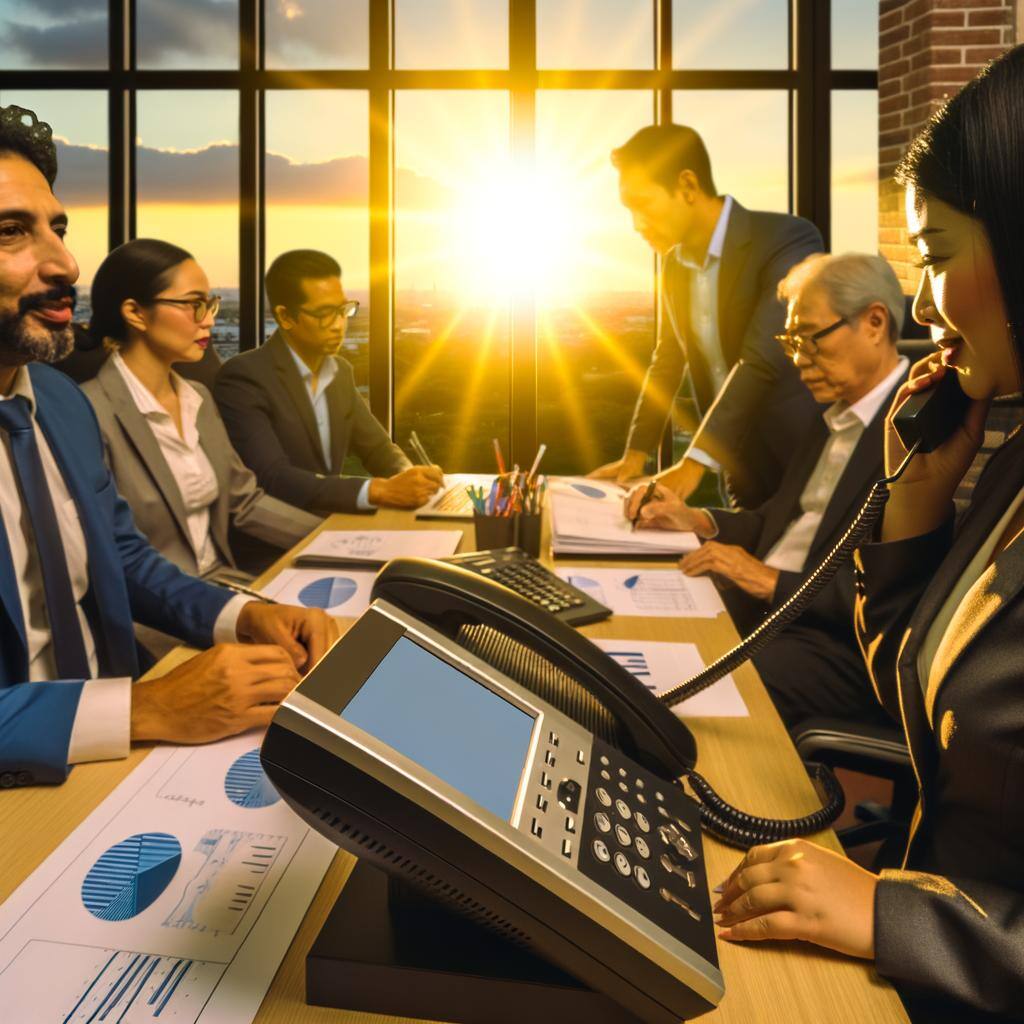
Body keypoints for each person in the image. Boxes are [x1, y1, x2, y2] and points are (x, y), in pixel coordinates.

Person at [710, 46, 1024, 1024]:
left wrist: (893, 913)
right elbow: (929, 701)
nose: (927, 308)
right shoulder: (1010, 460)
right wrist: (915, 510)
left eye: (935, 256)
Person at [0, 104, 338, 787]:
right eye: (12, 233)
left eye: (59, 229)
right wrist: (140, 706)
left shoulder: (58, 405)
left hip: (125, 765)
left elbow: (120, 558)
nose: (66, 262)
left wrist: (247, 616)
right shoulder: (93, 398)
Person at [625, 252, 908, 730]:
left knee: (687, 697)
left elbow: (901, 593)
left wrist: (768, 581)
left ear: (874, 323)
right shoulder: (831, 419)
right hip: (770, 611)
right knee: (642, 632)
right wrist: (699, 521)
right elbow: (778, 522)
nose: (797, 359)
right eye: (791, 340)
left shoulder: (916, 432)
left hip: (834, 647)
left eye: (809, 338)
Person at [80, 239, 324, 654]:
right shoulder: (87, 412)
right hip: (154, 625)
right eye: (195, 305)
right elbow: (113, 559)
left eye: (210, 303)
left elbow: (245, 502)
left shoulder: (198, 398)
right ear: (135, 312)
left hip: (233, 588)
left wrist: (330, 540)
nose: (209, 320)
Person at [590, 124, 824, 509]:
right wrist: (634, 457)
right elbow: (667, 361)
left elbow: (761, 358)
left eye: (642, 205)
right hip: (739, 468)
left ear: (686, 186)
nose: (636, 224)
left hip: (802, 459)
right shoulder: (674, 267)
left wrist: (694, 462)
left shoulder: (787, 239)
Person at [214, 249, 443, 514]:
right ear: (286, 317)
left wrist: (409, 475)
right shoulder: (244, 377)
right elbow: (272, 477)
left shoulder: (339, 372)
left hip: (332, 524)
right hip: (277, 539)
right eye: (325, 313)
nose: (339, 325)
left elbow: (378, 447)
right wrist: (376, 490)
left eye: (343, 310)